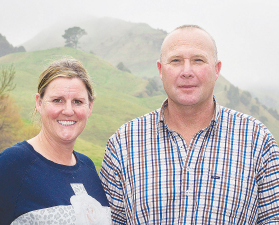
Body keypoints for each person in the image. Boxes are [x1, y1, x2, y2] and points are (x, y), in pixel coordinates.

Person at [99, 25, 279, 224]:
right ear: (160, 70)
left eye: (198, 60)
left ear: (217, 69)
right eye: (175, 61)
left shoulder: (256, 140)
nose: (186, 71)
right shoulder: (124, 143)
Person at [0, 58, 111, 225]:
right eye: (58, 100)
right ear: (39, 103)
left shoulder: (88, 168)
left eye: (77, 102)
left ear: (89, 107)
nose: (68, 111)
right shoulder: (11, 165)